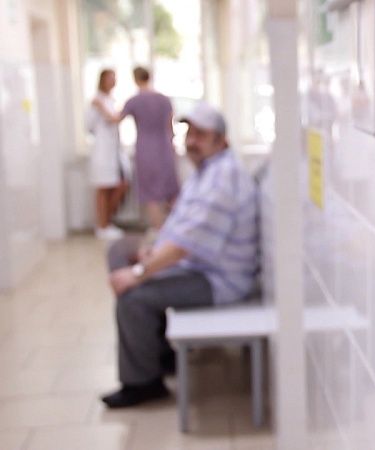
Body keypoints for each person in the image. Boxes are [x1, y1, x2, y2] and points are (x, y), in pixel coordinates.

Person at [101, 102, 259, 408]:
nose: (192, 141)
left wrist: (139, 273)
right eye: (189, 133)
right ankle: (159, 353)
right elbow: (179, 227)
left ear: (221, 141)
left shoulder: (224, 178)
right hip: (199, 267)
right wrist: (151, 252)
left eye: (201, 135)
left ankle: (143, 383)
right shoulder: (207, 171)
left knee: (133, 296)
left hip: (218, 281)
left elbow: (188, 244)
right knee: (121, 253)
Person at [118, 66, 180, 229]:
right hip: (165, 147)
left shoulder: (134, 101)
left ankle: (159, 232)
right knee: (170, 191)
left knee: (151, 194)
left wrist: (100, 105)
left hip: (146, 150)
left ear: (135, 79)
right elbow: (170, 126)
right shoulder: (164, 100)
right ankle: (178, 229)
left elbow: (116, 119)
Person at [86, 69, 127, 240]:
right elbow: (89, 126)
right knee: (103, 188)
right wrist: (103, 109)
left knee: (120, 185)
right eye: (110, 78)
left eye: (114, 78)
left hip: (113, 152)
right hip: (102, 152)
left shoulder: (110, 100)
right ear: (102, 80)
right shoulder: (97, 100)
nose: (113, 81)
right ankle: (102, 226)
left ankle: (107, 222)